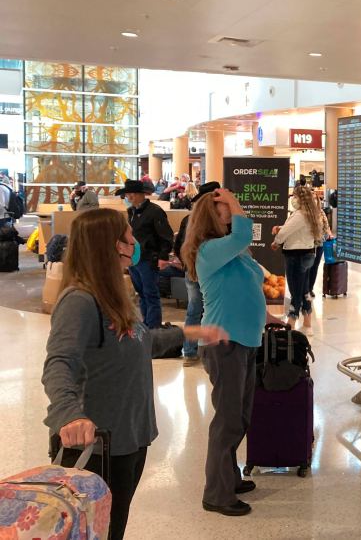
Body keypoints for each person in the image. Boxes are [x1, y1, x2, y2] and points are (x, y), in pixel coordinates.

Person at [41, 208, 227, 540]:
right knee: (98, 532)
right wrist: (69, 414)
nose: (134, 241)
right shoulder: (80, 301)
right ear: (106, 245)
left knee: (113, 526)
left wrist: (189, 333)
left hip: (128, 437)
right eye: (127, 236)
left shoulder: (114, 295)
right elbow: (58, 362)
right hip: (94, 446)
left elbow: (140, 341)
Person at [181, 188, 267, 517]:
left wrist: (267, 316)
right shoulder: (208, 250)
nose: (229, 215)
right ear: (209, 217)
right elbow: (245, 231)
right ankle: (216, 493)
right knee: (228, 420)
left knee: (239, 417)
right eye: (223, 211)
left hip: (244, 340)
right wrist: (232, 198)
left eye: (228, 209)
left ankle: (229, 477)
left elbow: (247, 283)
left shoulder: (230, 251)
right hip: (224, 344)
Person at [172, 181, 219, 366]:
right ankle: (209, 350)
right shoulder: (219, 225)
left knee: (194, 310)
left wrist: (187, 264)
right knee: (211, 310)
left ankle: (190, 352)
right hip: (211, 274)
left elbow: (178, 247)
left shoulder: (188, 220)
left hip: (191, 272)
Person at [116, 179, 173, 329]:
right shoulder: (131, 212)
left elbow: (165, 236)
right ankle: (147, 325)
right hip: (135, 259)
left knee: (150, 294)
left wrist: (163, 256)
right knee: (141, 294)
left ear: (141, 194)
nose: (129, 197)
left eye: (131, 194)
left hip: (148, 258)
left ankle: (153, 328)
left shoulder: (155, 211)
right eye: (128, 194)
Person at [271, 186, 322, 330]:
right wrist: (281, 227)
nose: (293, 199)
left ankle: (291, 323)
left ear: (299, 198)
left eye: (294, 196)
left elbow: (286, 232)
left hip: (295, 255)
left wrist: (276, 242)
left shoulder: (300, 214)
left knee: (295, 290)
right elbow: (296, 229)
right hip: (308, 253)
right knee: (305, 288)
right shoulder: (311, 214)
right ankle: (307, 322)